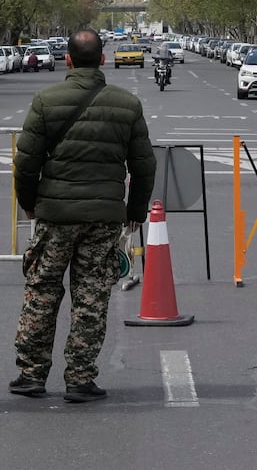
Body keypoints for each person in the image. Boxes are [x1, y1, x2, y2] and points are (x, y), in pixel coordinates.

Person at [9, 29, 156, 402]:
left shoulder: (46, 100)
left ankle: (31, 374)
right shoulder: (127, 105)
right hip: (104, 217)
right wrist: (135, 212)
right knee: (91, 296)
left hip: (55, 214)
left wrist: (30, 203)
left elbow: (25, 163)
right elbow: (144, 165)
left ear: (68, 60)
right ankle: (79, 378)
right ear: (103, 59)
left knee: (42, 291)